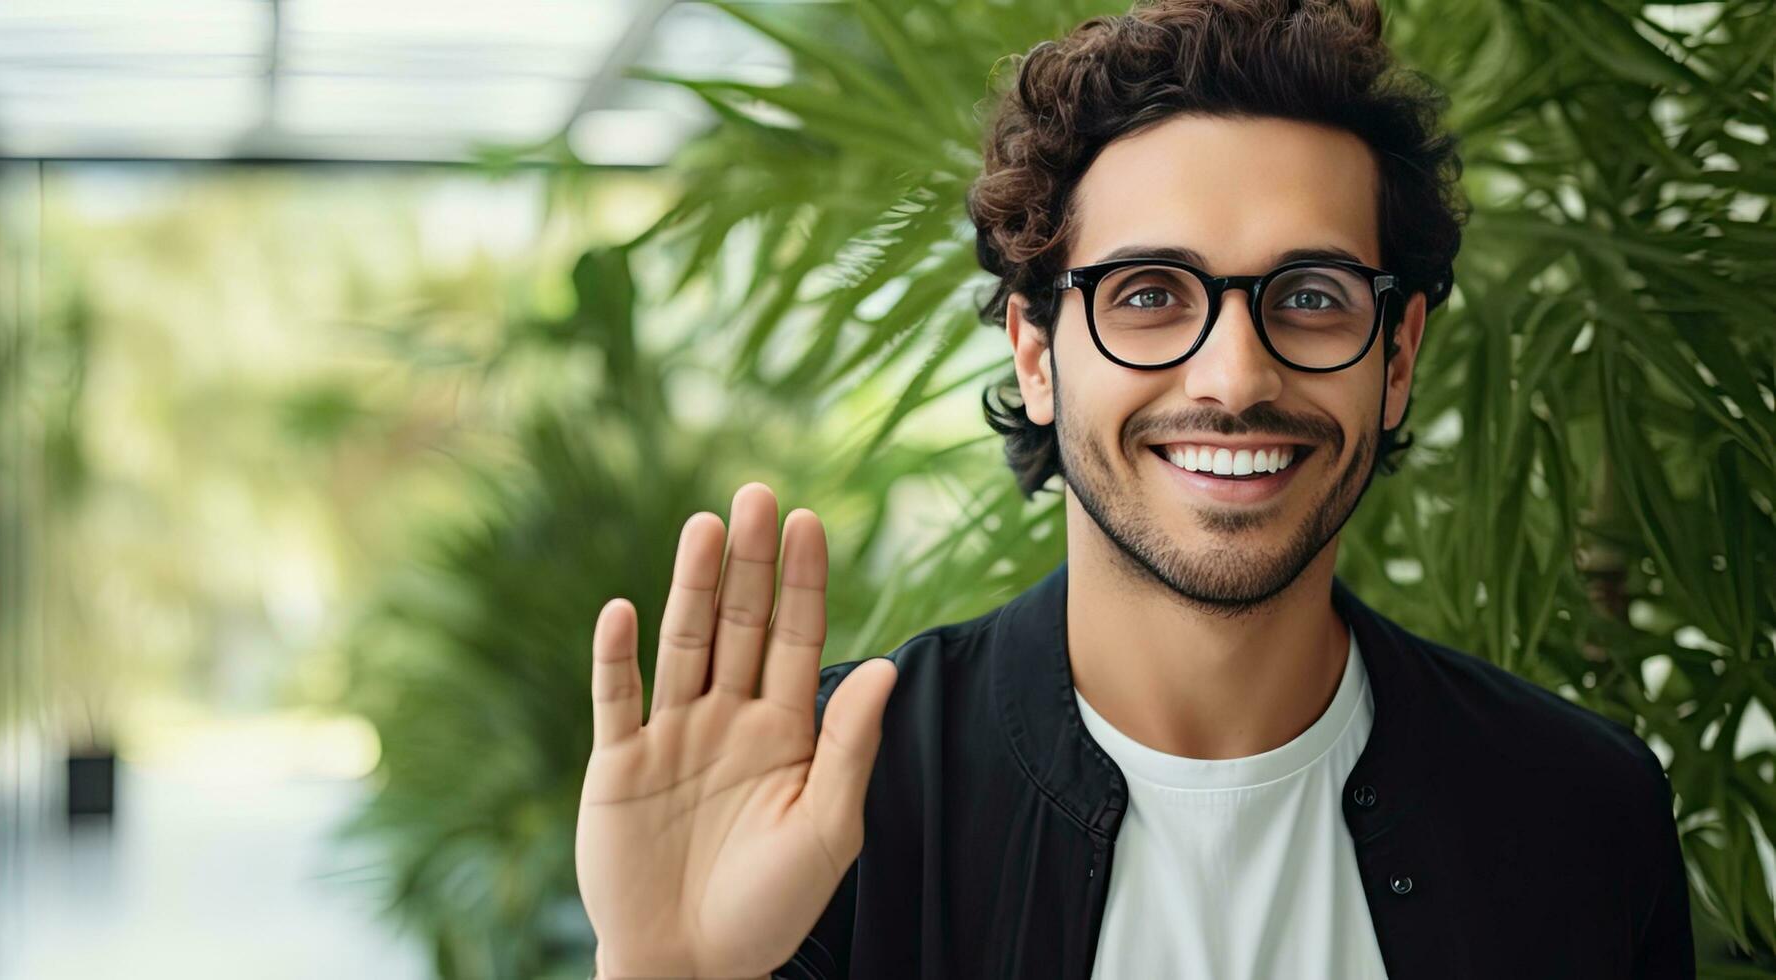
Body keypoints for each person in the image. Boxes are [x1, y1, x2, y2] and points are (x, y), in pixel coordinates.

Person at [573, 0, 1694, 977]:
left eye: (1308, 295)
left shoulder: (1577, 813)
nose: (1233, 377)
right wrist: (662, 972)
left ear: (1394, 356)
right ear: (1033, 350)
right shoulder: (827, 796)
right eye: (1149, 292)